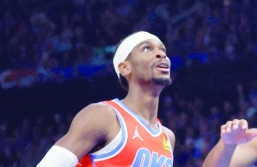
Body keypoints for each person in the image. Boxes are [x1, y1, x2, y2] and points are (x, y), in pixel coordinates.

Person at [33, 32, 174, 167]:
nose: (161, 54)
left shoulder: (168, 137)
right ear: (125, 68)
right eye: (147, 49)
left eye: (163, 49)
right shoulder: (104, 116)